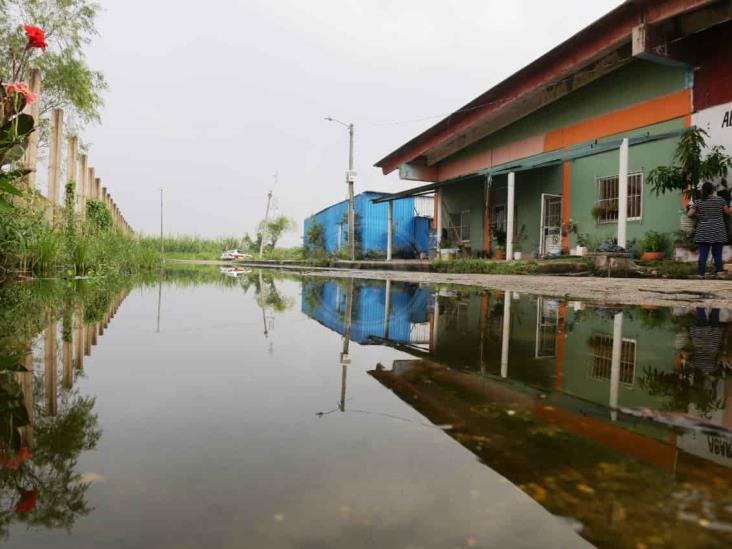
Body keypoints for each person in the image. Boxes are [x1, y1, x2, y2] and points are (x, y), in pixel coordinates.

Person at [688, 181, 732, 278]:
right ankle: (719, 272)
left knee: (703, 253)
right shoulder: (720, 200)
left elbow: (689, 214)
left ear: (703, 190)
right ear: (712, 190)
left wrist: (699, 215)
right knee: (717, 253)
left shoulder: (698, 202)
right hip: (718, 230)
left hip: (704, 230)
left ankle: (701, 274)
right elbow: (728, 212)